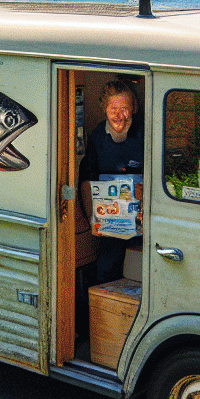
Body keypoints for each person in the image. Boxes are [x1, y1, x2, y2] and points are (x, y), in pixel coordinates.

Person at [80, 80, 144, 283]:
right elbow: (86, 182)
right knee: (107, 273)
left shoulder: (145, 133)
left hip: (142, 224)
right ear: (104, 109)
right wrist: (93, 219)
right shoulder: (98, 137)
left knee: (139, 275)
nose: (118, 115)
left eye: (124, 108)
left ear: (133, 108)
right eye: (113, 108)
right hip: (111, 224)